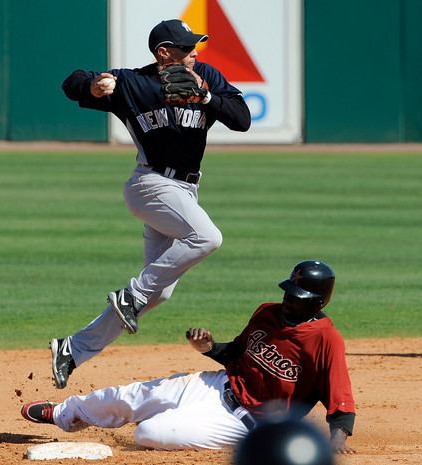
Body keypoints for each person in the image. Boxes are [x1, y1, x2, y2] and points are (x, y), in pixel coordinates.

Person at [50, 18, 251, 389]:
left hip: (185, 191)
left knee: (159, 293)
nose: (195, 53)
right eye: (187, 48)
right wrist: (94, 86)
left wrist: (205, 97)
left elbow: (242, 120)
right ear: (163, 53)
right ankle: (133, 294)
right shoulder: (133, 84)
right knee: (207, 237)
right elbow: (71, 81)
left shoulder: (205, 75)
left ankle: (72, 349)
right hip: (151, 184)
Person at [22, 260, 356, 453]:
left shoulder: (325, 339)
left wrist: (335, 443)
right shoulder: (267, 313)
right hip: (218, 385)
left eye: (298, 297)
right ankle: (64, 413)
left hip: (247, 424)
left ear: (318, 302)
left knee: (149, 433)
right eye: (288, 293)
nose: (288, 300)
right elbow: (237, 355)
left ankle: (180, 422)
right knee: (134, 395)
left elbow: (341, 403)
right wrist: (209, 348)